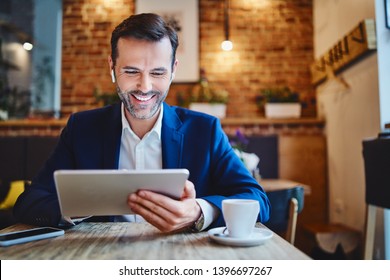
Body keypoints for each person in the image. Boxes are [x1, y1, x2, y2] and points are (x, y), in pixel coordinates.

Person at [14, 13, 270, 233]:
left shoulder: (205, 130)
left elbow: (258, 200)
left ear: (174, 70)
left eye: (158, 73)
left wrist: (198, 212)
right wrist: (79, 207)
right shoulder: (82, 128)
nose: (144, 87)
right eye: (131, 71)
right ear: (112, 67)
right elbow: (30, 202)